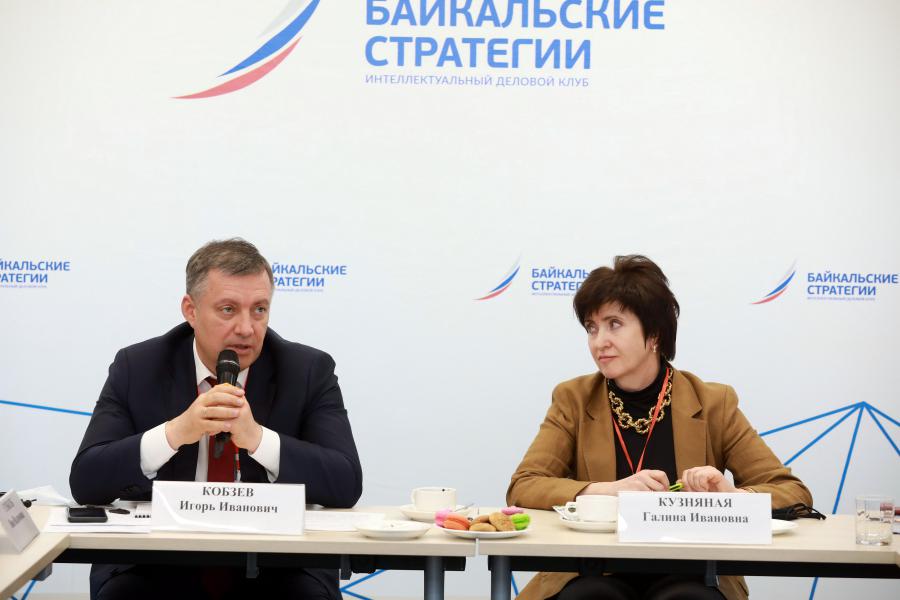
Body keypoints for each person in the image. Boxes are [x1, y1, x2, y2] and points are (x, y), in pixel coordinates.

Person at [70, 238, 362, 600]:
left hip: (277, 566)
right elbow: (86, 480)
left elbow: (345, 482)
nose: (246, 328)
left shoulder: (308, 371)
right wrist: (176, 432)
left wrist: (258, 439)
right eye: (228, 310)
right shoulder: (138, 366)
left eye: (259, 310)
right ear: (191, 311)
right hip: (155, 563)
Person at [507, 255, 812, 600]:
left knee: (686, 598)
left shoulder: (714, 402)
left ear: (654, 333)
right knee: (594, 595)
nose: (599, 341)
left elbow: (792, 492)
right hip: (593, 568)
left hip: (692, 570)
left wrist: (733, 498)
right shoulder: (573, 399)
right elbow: (524, 485)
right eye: (592, 328)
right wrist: (607, 490)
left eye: (614, 324)